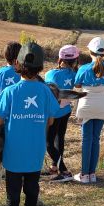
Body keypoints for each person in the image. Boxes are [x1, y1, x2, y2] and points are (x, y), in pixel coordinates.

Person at [0, 42, 59, 206]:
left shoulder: (10, 91)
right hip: (35, 151)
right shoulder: (46, 91)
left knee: (12, 192)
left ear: (17, 64)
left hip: (14, 151)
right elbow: (51, 119)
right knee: (32, 188)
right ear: (40, 67)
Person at [74, 37, 104, 184]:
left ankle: (84, 174)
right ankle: (92, 174)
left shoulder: (83, 69)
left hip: (86, 105)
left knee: (86, 139)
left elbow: (77, 85)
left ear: (89, 51)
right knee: (96, 139)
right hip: (102, 105)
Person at [43, 45, 79, 182]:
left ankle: (64, 170)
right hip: (66, 111)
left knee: (48, 143)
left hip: (53, 113)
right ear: (75, 60)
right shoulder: (74, 74)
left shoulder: (51, 74)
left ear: (60, 58)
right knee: (60, 139)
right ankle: (54, 167)